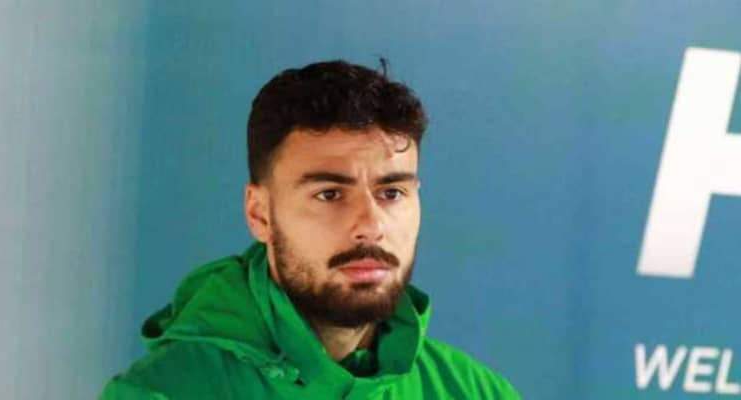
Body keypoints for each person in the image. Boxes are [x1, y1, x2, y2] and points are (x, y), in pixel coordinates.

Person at [100, 60, 520, 399]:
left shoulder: (475, 392)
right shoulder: (161, 393)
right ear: (260, 215)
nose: (371, 226)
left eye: (392, 193)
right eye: (330, 194)